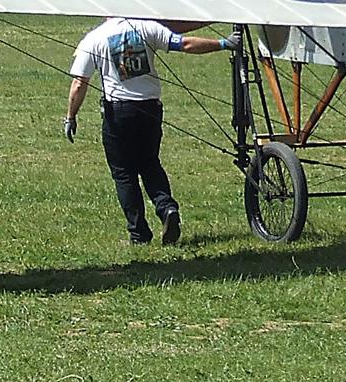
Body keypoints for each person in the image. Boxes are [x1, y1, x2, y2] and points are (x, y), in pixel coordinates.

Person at [63, 16, 240, 247]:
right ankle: (167, 208)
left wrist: (70, 116)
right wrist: (223, 44)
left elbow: (79, 82)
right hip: (150, 108)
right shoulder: (146, 27)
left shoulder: (94, 38)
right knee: (149, 163)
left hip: (118, 112)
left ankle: (139, 234)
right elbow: (184, 44)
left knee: (123, 173)